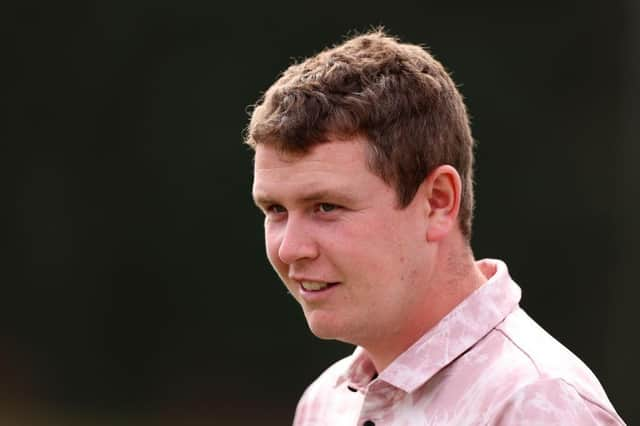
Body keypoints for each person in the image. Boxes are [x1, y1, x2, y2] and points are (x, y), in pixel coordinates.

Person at [244, 30, 625, 425]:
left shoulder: (537, 405)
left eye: (326, 206)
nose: (290, 249)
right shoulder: (326, 404)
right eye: (275, 209)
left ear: (438, 201)